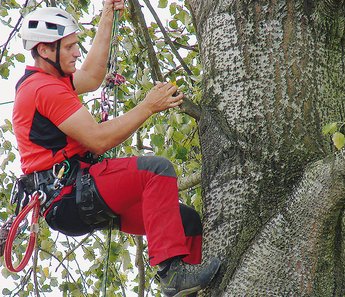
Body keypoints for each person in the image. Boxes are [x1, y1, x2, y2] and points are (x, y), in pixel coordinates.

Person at [12, 2, 220, 296]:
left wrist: (107, 15)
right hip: (71, 194)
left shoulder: (52, 80)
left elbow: (94, 75)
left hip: (75, 196)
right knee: (155, 170)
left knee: (186, 222)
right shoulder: (43, 89)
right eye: (69, 47)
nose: (77, 52)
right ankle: (172, 275)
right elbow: (97, 139)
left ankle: (189, 287)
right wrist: (148, 106)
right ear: (45, 51)